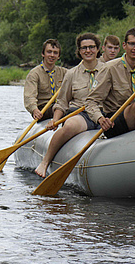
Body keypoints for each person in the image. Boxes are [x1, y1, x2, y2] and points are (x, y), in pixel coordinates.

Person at [34, 33, 105, 177]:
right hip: (81, 114)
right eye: (84, 48)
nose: (88, 51)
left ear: (97, 49)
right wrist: (55, 119)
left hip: (104, 113)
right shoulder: (72, 74)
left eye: (91, 47)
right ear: (79, 51)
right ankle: (45, 162)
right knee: (71, 125)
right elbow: (61, 102)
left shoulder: (108, 70)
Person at [23, 39, 67, 122]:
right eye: (49, 52)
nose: (52, 55)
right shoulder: (34, 74)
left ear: (58, 56)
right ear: (43, 54)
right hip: (43, 109)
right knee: (59, 108)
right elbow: (29, 96)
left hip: (60, 106)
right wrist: (34, 110)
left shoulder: (65, 72)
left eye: (55, 53)